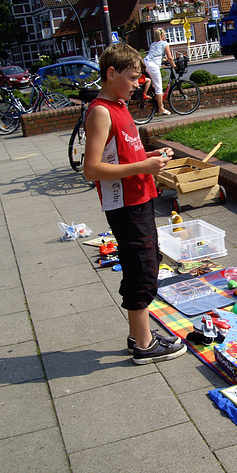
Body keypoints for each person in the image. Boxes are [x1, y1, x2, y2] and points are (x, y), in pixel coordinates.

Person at [84, 43, 186, 364]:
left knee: (145, 260)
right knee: (141, 266)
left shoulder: (120, 105)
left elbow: (125, 154)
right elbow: (92, 168)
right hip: (124, 204)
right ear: (111, 74)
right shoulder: (101, 111)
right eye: (132, 78)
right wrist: (143, 167)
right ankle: (144, 344)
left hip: (139, 197)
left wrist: (148, 157)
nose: (138, 84)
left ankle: (136, 334)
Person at [144, 28, 176, 116]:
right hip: (153, 66)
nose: (165, 37)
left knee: (153, 85)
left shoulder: (153, 44)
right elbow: (169, 57)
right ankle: (161, 109)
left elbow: (155, 55)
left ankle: (153, 100)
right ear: (162, 36)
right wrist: (174, 66)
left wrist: (164, 59)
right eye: (164, 35)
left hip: (145, 63)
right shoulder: (164, 44)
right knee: (159, 88)